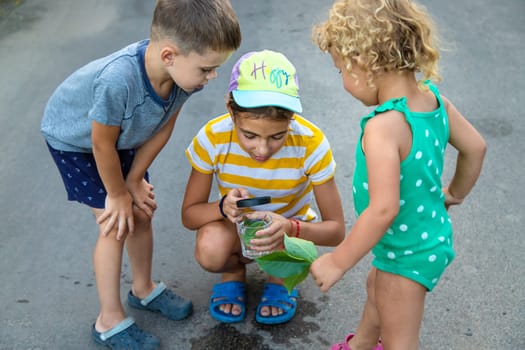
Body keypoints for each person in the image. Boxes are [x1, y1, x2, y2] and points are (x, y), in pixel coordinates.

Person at [40, 0, 241, 348]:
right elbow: (101, 143)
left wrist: (134, 179)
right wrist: (117, 194)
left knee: (142, 212)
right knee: (116, 222)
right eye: (207, 68)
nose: (213, 77)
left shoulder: (182, 78)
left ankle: (143, 288)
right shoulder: (118, 81)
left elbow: (162, 127)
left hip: (122, 136)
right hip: (77, 142)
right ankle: (108, 319)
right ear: (169, 56)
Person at [309, 0, 486, 349]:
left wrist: (337, 261)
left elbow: (383, 209)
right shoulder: (434, 101)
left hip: (408, 252)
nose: (343, 80)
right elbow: (476, 148)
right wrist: (454, 193)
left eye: (340, 70)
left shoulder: (383, 127)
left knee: (399, 336)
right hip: (415, 241)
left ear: (364, 63)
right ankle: (360, 344)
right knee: (376, 285)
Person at [181, 50, 346, 325]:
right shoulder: (213, 137)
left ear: (291, 119)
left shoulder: (311, 144)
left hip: (290, 233)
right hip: (237, 231)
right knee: (210, 247)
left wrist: (290, 227)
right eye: (250, 135)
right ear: (231, 111)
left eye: (277, 136)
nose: (262, 149)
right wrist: (223, 207)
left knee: (290, 242)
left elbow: (336, 230)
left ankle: (280, 278)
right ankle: (233, 272)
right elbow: (189, 215)